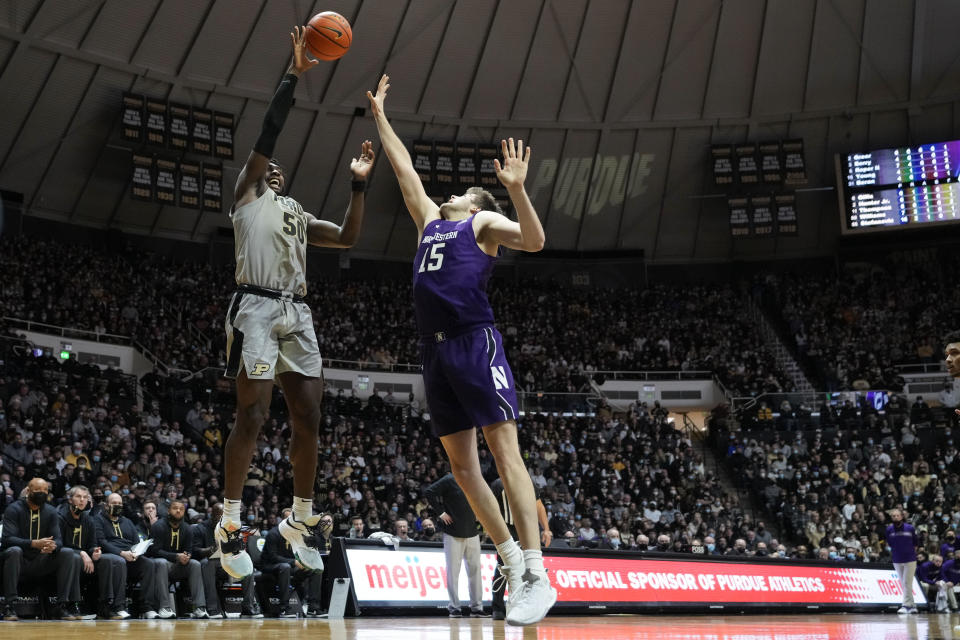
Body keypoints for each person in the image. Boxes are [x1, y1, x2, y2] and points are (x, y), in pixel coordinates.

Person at [367, 73, 555, 626]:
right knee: (462, 468)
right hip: (435, 352)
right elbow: (404, 171)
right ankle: (513, 563)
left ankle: (538, 571)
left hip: (475, 343)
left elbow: (536, 241)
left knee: (504, 453)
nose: (450, 194)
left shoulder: (483, 221)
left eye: (462, 192)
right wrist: (380, 116)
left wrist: (516, 188)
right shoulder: (429, 222)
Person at [215, 25, 375, 581]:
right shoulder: (247, 199)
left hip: (296, 311)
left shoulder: (295, 214)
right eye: (266, 168)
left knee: (308, 415)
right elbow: (269, 130)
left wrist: (358, 186)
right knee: (254, 414)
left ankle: (300, 517)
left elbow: (349, 238)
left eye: (277, 171)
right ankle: (230, 522)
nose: (273, 171)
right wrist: (294, 76)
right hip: (256, 307)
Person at [1, 478, 81, 621]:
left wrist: (52, 546)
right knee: (14, 551)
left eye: (45, 490)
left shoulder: (50, 511)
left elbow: (58, 540)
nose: (42, 493)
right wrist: (33, 543)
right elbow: (7, 539)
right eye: (38, 490)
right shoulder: (14, 509)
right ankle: (9, 606)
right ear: (28, 491)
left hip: (41, 560)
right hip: (20, 560)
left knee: (68, 553)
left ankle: (62, 606)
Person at [58, 485, 129, 619]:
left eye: (85, 497)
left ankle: (105, 605)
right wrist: (82, 553)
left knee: (108, 559)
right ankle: (69, 605)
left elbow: (92, 545)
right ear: (70, 500)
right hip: (65, 559)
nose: (82, 500)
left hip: (86, 559)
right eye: (78, 497)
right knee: (74, 557)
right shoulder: (60, 517)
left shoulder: (88, 519)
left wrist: (94, 552)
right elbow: (59, 545)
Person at [97, 492, 170, 618]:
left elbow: (136, 542)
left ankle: (147, 607)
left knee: (149, 564)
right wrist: (122, 553)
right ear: (107, 505)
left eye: (120, 503)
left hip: (130, 555)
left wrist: (136, 553)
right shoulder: (98, 519)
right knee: (119, 561)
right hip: (111, 555)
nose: (118, 505)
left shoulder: (127, 521)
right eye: (114, 503)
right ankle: (119, 606)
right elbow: (101, 541)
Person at [487, 477, 552, 621]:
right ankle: (497, 607)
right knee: (503, 568)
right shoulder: (498, 484)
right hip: (505, 529)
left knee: (530, 567)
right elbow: (491, 509)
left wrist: (546, 529)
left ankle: (529, 605)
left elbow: (538, 505)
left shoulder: (528, 481)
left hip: (526, 528)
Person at [424, 473, 486, 618]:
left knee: (475, 571)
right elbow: (429, 492)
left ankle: (477, 607)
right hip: (452, 532)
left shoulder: (475, 477)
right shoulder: (450, 479)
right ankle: (454, 607)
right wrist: (441, 513)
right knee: (453, 572)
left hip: (472, 532)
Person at [192, 503, 261, 619]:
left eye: (225, 515)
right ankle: (213, 608)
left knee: (248, 567)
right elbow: (194, 550)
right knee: (207, 563)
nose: (223, 518)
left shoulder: (231, 527)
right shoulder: (200, 528)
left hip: (229, 562)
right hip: (211, 565)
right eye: (220, 515)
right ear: (212, 515)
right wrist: (208, 550)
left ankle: (248, 607)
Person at [259, 508, 327, 618]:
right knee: (285, 567)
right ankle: (284, 608)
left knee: (316, 569)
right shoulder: (274, 533)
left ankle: (313, 608)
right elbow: (272, 557)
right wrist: (294, 562)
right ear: (282, 520)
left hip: (291, 566)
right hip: (270, 566)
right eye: (287, 518)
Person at [148, 499, 206, 618]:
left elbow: (189, 549)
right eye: (175, 508)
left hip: (178, 566)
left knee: (195, 564)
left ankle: (199, 607)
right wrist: (175, 556)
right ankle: (164, 607)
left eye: (181, 509)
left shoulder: (188, 529)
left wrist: (187, 556)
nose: (178, 510)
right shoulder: (158, 526)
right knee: (162, 562)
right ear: (168, 510)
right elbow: (153, 551)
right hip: (159, 565)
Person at [886, 508, 918, 614]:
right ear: (891, 518)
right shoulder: (889, 530)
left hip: (910, 559)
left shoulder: (910, 528)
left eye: (897, 515)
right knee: (904, 583)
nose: (895, 517)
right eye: (893, 516)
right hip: (897, 559)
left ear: (901, 516)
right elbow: (890, 544)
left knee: (906, 582)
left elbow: (915, 543)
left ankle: (906, 605)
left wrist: (910, 553)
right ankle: (912, 605)